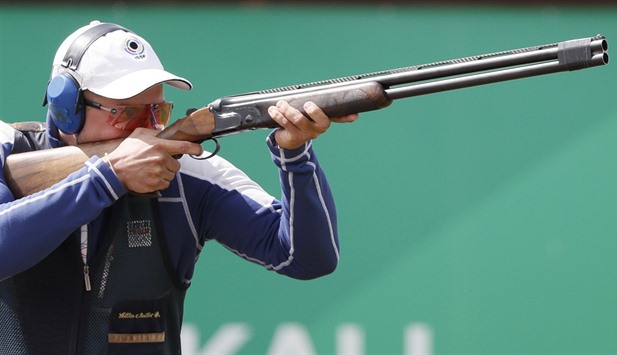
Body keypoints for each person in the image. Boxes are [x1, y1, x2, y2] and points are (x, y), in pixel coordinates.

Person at [0, 20, 358, 354]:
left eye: (159, 111)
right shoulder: (7, 149)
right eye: (127, 113)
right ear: (66, 107)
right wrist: (107, 179)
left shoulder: (187, 171)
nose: (149, 127)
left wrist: (294, 154)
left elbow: (307, 257)